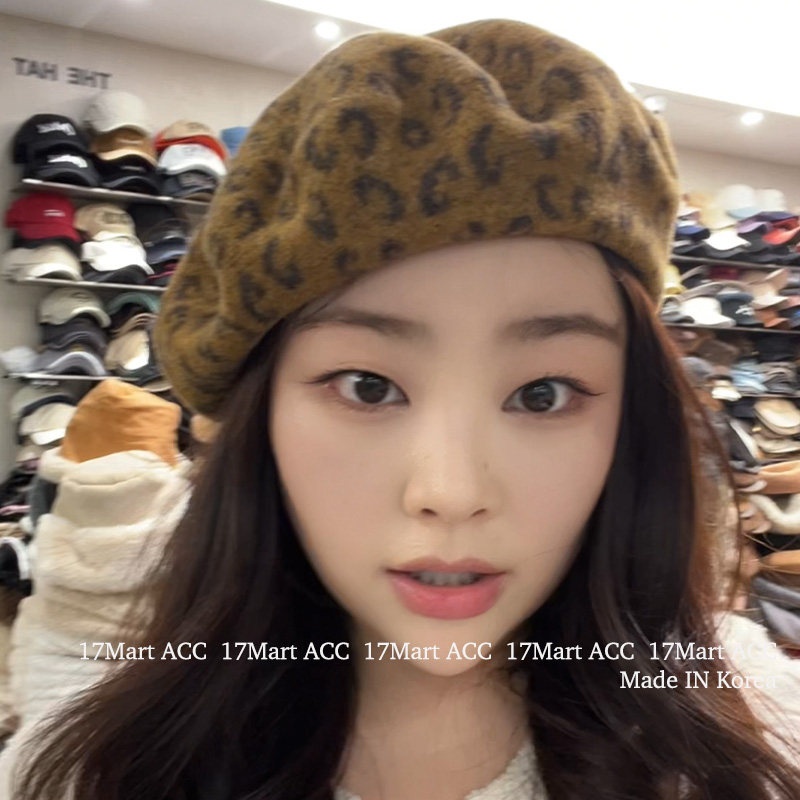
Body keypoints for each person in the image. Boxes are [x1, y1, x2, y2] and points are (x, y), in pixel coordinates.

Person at [9, 17, 800, 800]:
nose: (451, 493)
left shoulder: (753, 730)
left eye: (543, 394)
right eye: (367, 386)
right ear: (262, 416)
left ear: (631, 420)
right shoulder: (93, 772)